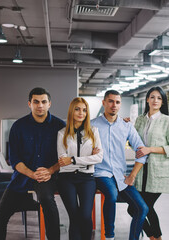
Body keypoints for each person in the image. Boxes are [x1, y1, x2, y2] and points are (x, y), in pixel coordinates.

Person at [0, 87, 65, 240]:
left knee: (48, 203)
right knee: (0, 215)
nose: (40, 105)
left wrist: (50, 171)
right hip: (23, 176)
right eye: (36, 102)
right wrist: (32, 174)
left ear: (49, 104)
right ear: (29, 104)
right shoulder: (18, 126)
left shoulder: (60, 126)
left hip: (48, 177)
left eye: (44, 102)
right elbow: (15, 160)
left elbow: (65, 157)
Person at [91, 90, 149, 240]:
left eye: (117, 102)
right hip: (101, 172)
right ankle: (109, 236)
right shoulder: (92, 125)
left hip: (120, 175)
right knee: (111, 194)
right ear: (104, 103)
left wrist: (132, 175)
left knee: (142, 208)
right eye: (110, 101)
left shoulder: (126, 126)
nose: (114, 105)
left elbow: (141, 150)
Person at [128, 87, 169, 240]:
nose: (155, 100)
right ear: (147, 100)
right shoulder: (140, 119)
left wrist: (150, 149)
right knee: (137, 208)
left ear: (162, 102)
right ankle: (154, 236)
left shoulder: (168, 121)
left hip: (158, 170)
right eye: (152, 97)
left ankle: (155, 236)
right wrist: (127, 127)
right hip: (141, 169)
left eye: (159, 98)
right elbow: (133, 142)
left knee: (143, 206)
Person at [57, 97, 103, 240]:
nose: (81, 113)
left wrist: (73, 159)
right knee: (74, 216)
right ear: (72, 111)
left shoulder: (93, 131)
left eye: (84, 110)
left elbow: (99, 157)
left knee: (85, 215)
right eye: (77, 109)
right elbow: (62, 161)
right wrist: (88, 159)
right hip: (66, 178)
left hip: (86, 178)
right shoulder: (61, 133)